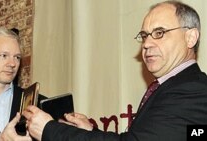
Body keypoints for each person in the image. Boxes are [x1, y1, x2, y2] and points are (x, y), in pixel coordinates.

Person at [22, 1, 207, 141]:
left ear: (190, 37)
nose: (147, 44)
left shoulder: (193, 90)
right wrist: (90, 131)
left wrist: (49, 130)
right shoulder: (173, 86)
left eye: (159, 33)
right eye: (144, 36)